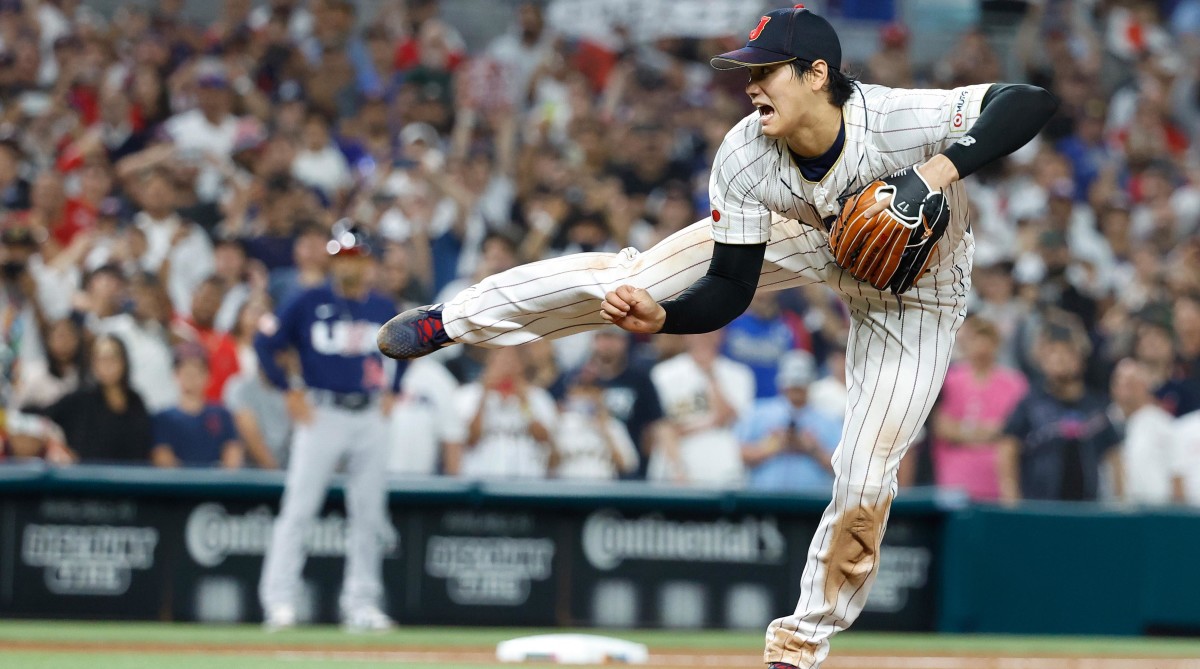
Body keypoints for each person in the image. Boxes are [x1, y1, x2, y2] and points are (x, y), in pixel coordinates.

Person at [378, 7, 1056, 666]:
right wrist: (666, 317)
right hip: (810, 235)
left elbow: (1027, 100)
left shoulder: (892, 118)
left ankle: (797, 651)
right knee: (636, 278)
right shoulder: (745, 153)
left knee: (865, 470)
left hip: (918, 296)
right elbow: (732, 284)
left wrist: (932, 173)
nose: (750, 84)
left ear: (818, 73)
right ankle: (453, 319)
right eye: (747, 71)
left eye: (766, 70)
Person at [255, 221, 402, 632]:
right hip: (322, 412)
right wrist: (288, 389)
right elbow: (264, 343)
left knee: (369, 514)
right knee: (298, 510)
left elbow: (409, 346)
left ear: (368, 260)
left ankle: (362, 604)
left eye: (354, 256)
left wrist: (397, 387)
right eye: (341, 255)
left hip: (369, 413)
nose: (347, 264)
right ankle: (279, 601)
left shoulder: (382, 306)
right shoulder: (306, 299)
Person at [999, 318, 1120, 502]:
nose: (1059, 358)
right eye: (1052, 352)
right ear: (1042, 360)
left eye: (1067, 351)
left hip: (1087, 511)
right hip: (1040, 511)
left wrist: (1119, 500)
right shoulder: (1030, 405)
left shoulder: (1096, 407)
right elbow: (1008, 449)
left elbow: (1114, 454)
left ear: (1080, 359)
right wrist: (1011, 499)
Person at [930, 316, 1028, 501]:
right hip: (954, 480)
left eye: (987, 341)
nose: (981, 348)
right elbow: (943, 428)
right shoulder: (949, 380)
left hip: (999, 480)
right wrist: (990, 432)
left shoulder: (1015, 383)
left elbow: (1015, 431)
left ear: (996, 344)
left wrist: (965, 431)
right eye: (975, 340)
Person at [649, 330, 754, 486]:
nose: (703, 338)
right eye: (698, 331)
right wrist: (677, 468)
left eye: (710, 332)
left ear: (721, 335)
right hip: (673, 467)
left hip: (720, 467)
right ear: (685, 335)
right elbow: (662, 427)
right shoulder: (662, 373)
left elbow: (727, 417)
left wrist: (710, 376)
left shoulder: (739, 373)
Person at [737, 350, 841, 493]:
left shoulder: (828, 419)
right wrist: (772, 445)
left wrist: (812, 448)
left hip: (812, 504)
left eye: (800, 385)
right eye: (793, 384)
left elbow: (843, 467)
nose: (796, 389)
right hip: (762, 501)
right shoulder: (759, 412)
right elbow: (739, 454)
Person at [44, 335, 154, 463]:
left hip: (130, 479)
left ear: (124, 361)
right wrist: (56, 445)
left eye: (112, 357)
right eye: (100, 358)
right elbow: (39, 417)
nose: (107, 364)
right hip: (88, 479)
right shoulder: (79, 401)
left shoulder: (136, 402)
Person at [456, 347, 558, 479]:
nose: (507, 366)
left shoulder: (537, 397)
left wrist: (524, 402)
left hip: (526, 481)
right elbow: (470, 439)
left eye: (513, 360)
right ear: (490, 361)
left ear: (522, 364)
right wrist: (484, 395)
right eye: (501, 359)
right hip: (480, 482)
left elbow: (543, 439)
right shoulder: (468, 394)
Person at [151, 345, 244, 469]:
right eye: (185, 370)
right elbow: (162, 457)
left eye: (198, 370)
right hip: (177, 486)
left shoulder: (222, 414)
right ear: (176, 375)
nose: (191, 376)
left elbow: (233, 454)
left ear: (208, 375)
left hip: (217, 486)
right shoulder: (163, 418)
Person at [1109, 358, 1177, 505]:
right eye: (1120, 382)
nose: (1125, 388)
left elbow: (1176, 470)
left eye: (1132, 383)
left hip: (1155, 511)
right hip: (1112, 509)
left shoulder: (1163, 424)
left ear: (1145, 386)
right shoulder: (1104, 422)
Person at [553, 365, 639, 480]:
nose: (587, 395)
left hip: (602, 492)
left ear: (601, 393)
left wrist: (605, 431)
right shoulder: (560, 423)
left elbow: (627, 466)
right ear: (570, 391)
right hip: (567, 492)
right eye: (581, 387)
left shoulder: (613, 425)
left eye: (592, 388)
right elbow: (548, 466)